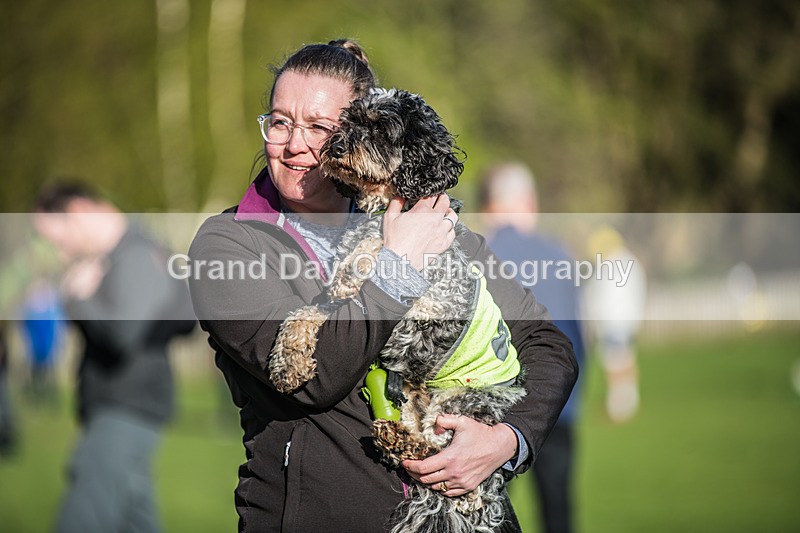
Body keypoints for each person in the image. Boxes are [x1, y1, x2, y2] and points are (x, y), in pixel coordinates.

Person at [188, 39, 578, 533]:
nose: (294, 144)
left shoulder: (434, 222)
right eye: (280, 121)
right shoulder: (228, 245)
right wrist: (398, 263)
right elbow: (316, 377)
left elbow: (548, 345)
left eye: (319, 127)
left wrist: (507, 440)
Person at [33, 182, 195, 533]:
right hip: (122, 404)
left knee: (81, 518)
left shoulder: (135, 254)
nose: (59, 251)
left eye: (58, 239)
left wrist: (77, 297)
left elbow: (123, 335)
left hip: (125, 406)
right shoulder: (131, 253)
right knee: (135, 522)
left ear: (77, 213)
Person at [480, 162, 585, 533]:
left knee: (483, 513)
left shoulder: (483, 254)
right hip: (559, 404)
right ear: (528, 201)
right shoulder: (560, 255)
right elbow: (575, 338)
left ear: (492, 205)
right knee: (558, 510)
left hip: (497, 407)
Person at [584, 224, 647, 424]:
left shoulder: (611, 265)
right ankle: (627, 402)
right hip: (626, 321)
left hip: (613, 322)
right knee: (625, 358)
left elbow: (598, 297)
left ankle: (620, 406)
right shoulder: (630, 262)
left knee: (615, 362)